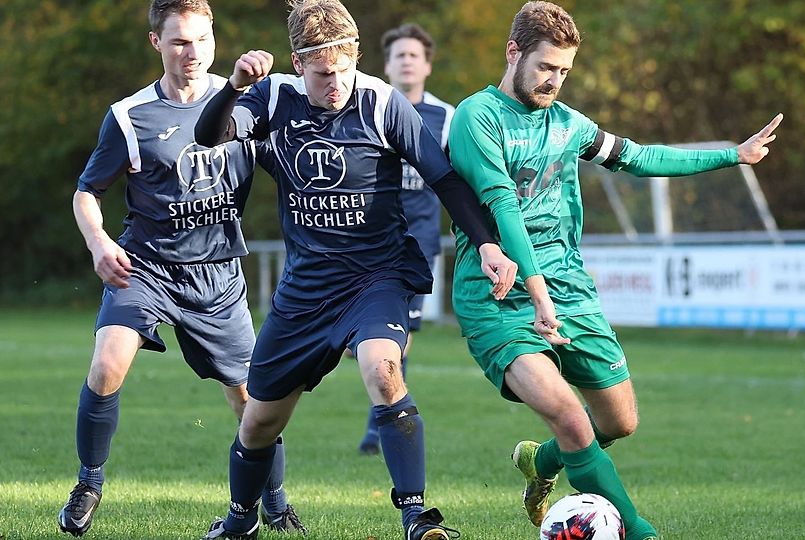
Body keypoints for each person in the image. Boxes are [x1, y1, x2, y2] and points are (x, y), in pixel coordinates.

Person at [447, 3, 783, 540]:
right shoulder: (476, 116)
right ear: (513, 53)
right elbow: (503, 205)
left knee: (618, 422)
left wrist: (732, 155)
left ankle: (541, 462)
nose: (554, 80)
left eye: (564, 71)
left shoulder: (568, 124)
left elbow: (639, 158)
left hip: (570, 288)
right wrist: (537, 292)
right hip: (499, 294)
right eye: (545, 67)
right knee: (570, 415)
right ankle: (640, 531)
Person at [193, 1, 516, 538]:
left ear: (358, 57)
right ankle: (241, 518)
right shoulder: (272, 96)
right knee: (259, 422)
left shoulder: (384, 103)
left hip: (376, 276)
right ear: (298, 63)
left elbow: (444, 178)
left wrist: (486, 244)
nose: (335, 84)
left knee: (383, 368)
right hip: (305, 289)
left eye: (344, 70)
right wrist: (232, 87)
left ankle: (415, 515)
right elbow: (209, 135)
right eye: (323, 74)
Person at [56, 1, 303, 536]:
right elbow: (86, 191)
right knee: (107, 364)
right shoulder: (130, 115)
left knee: (252, 401)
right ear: (156, 43)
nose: (193, 52)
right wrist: (99, 242)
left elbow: (290, 164)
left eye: (202, 40)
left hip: (217, 276)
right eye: (179, 42)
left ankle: (275, 501)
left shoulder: (245, 102)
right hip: (145, 267)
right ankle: (88, 483)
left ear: (215, 37)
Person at [355, 22, 454, 456]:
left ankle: (381, 425)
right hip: (366, 241)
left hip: (418, 245)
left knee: (401, 335)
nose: (407, 62)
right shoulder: (367, 108)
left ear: (427, 65)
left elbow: (456, 181)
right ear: (387, 65)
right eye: (400, 55)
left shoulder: (447, 117)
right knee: (365, 337)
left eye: (415, 55)